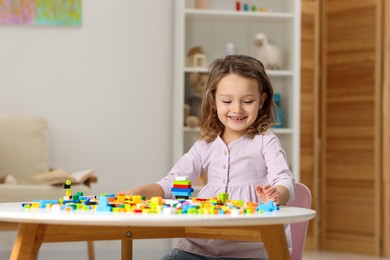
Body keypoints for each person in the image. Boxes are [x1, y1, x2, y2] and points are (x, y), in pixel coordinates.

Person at [123, 55, 295, 259]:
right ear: (214, 101)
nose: (237, 109)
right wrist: (138, 192)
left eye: (248, 101)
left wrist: (275, 196)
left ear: (261, 101)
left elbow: (284, 181)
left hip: (252, 247)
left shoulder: (265, 141)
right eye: (227, 101)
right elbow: (173, 184)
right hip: (199, 246)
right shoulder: (205, 145)